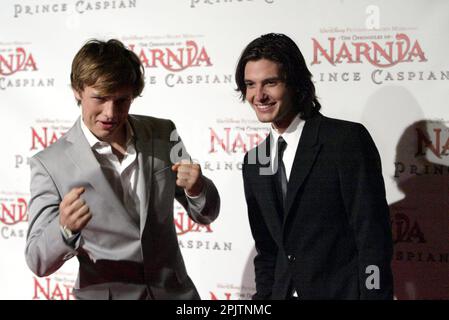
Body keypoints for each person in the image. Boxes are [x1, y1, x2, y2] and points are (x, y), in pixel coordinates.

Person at [25, 39, 220, 300]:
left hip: (176, 295)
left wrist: (198, 188)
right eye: (100, 98)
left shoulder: (163, 133)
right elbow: (37, 260)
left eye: (122, 100)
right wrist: (64, 228)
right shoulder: (49, 164)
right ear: (77, 90)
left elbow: (205, 214)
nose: (111, 112)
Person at [236, 33, 393, 299]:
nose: (258, 95)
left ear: (296, 84)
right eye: (250, 85)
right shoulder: (255, 161)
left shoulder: (344, 140)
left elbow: (372, 240)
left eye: (270, 83)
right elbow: (268, 251)